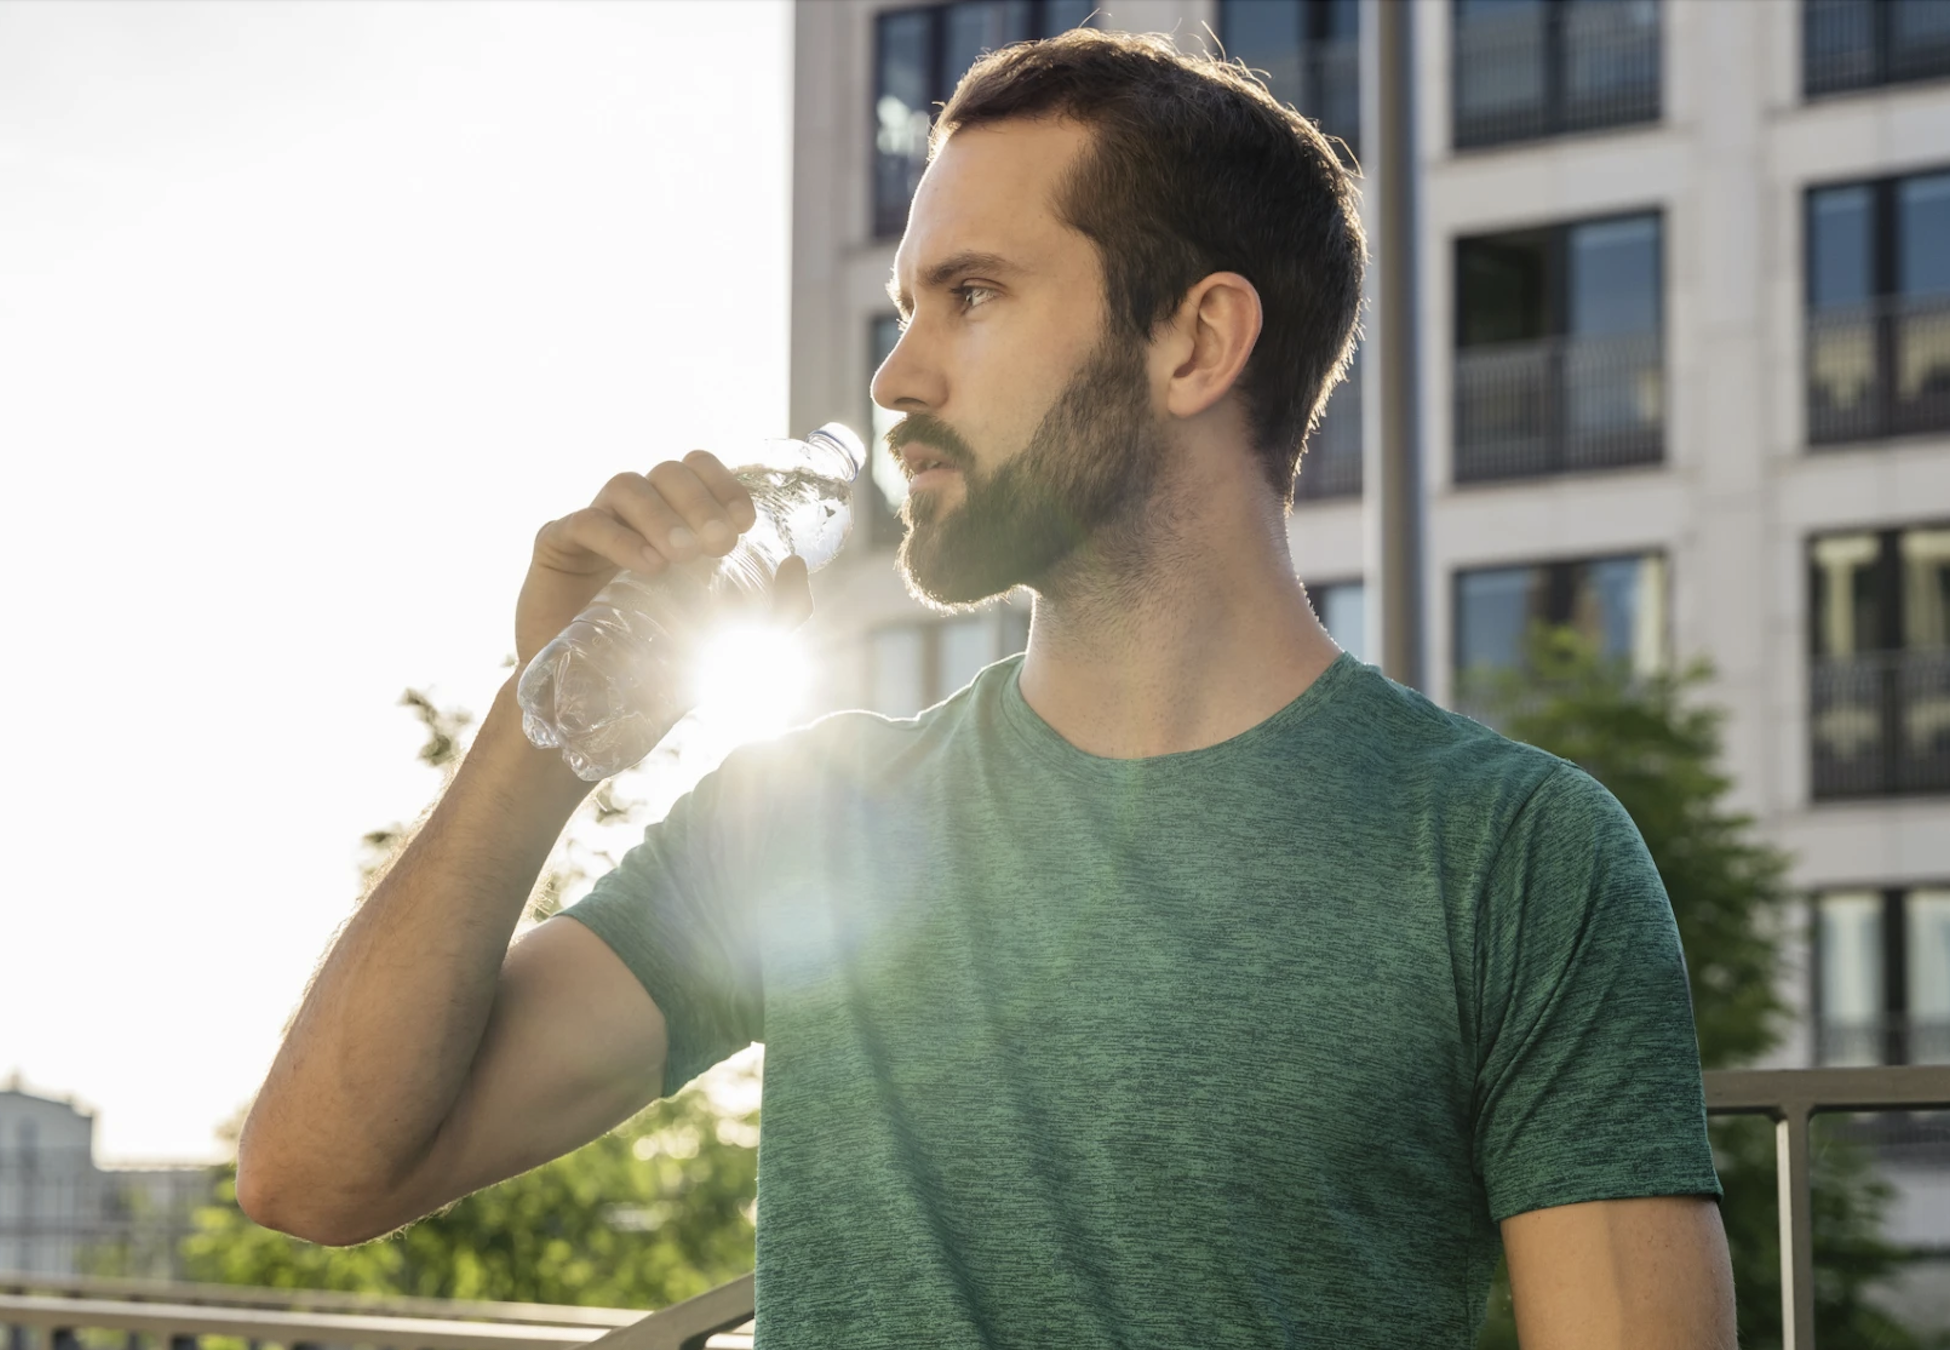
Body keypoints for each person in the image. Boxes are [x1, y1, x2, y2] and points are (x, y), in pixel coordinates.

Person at [235, 27, 1736, 1349]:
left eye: (970, 294)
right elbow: (316, 1174)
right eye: (905, 305)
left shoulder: (1513, 854)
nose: (896, 377)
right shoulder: (806, 815)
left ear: (1195, 341)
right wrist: (547, 716)